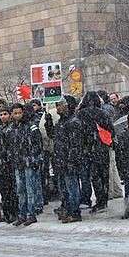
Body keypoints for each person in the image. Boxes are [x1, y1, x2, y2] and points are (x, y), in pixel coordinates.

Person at [47, 95, 84, 223]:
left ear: (67, 106)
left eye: (60, 105)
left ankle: (74, 212)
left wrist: (71, 161)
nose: (57, 107)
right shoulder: (61, 122)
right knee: (64, 188)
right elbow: (54, 136)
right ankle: (67, 209)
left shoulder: (73, 122)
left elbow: (75, 145)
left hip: (69, 162)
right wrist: (49, 124)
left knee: (72, 187)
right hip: (61, 161)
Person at [77, 91, 115, 213]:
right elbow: (111, 130)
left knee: (95, 176)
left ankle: (99, 200)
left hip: (88, 148)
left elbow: (79, 132)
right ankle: (103, 201)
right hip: (102, 147)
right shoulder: (103, 113)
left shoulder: (81, 114)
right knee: (104, 175)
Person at [9, 103, 42, 226]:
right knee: (20, 190)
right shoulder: (12, 128)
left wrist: (34, 159)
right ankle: (22, 214)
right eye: (15, 113)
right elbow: (10, 146)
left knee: (30, 189)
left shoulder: (30, 126)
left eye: (19, 113)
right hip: (18, 163)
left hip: (29, 162)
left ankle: (31, 214)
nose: (17, 115)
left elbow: (37, 144)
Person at [0, 105, 18, 224]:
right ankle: (7, 213)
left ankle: (15, 212)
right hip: (0, 165)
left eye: (5, 114)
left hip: (10, 164)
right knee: (4, 190)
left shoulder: (13, 128)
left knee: (12, 190)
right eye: (1, 114)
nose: (3, 117)